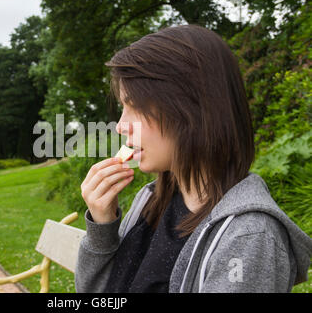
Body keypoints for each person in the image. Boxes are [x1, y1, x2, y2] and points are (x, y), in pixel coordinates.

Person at [75, 24, 312, 293]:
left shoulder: (248, 236)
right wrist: (102, 226)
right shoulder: (149, 201)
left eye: (136, 106)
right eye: (122, 107)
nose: (120, 125)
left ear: (190, 110)